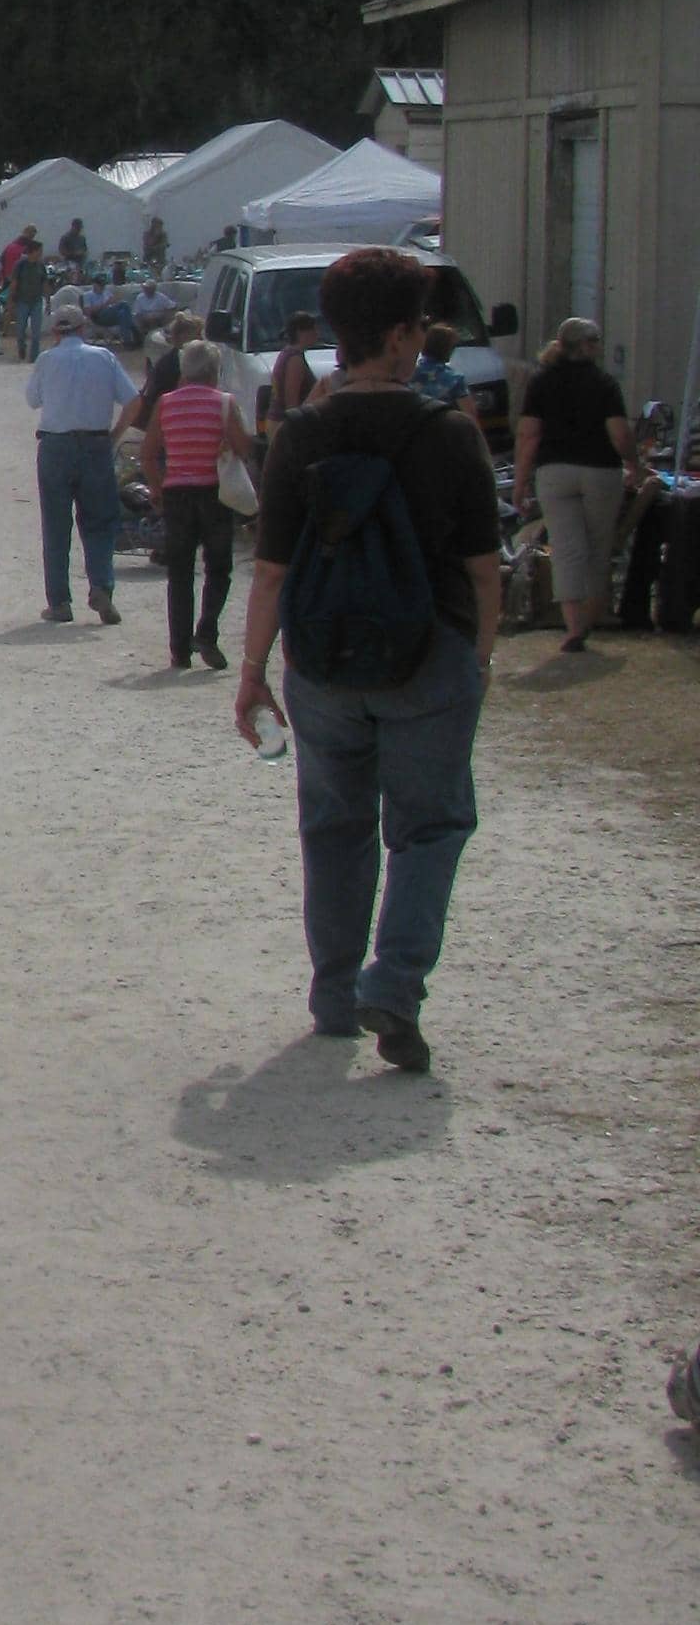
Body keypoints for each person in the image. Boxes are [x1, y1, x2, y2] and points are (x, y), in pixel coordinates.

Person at [235, 245, 502, 1070]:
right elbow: (484, 568)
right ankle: (397, 981)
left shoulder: (301, 434)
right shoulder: (448, 432)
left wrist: (251, 674)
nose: (422, 340)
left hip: (322, 660)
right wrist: (479, 659)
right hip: (429, 655)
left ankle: (335, 994)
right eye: (417, 326)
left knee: (334, 828)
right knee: (430, 826)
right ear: (394, 336)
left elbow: (272, 570)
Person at [512, 314, 640, 653]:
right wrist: (634, 462)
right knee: (598, 546)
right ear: (585, 345)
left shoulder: (541, 382)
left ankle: (572, 625)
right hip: (600, 470)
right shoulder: (604, 384)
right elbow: (619, 433)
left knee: (566, 547)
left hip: (554, 471)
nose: (600, 344)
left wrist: (521, 481)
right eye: (596, 339)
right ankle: (591, 616)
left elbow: (528, 435)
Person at [26, 293, 139, 623]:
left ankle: (59, 601)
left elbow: (33, 400)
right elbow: (134, 401)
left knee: (56, 524)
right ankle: (102, 586)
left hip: (55, 445)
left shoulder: (47, 360)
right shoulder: (104, 357)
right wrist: (115, 434)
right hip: (95, 444)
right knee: (100, 521)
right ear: (83, 328)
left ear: (56, 331)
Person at [144, 337, 252, 670]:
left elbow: (148, 454)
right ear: (214, 370)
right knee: (218, 568)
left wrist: (158, 489)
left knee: (180, 573)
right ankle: (206, 630)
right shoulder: (224, 403)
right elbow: (244, 449)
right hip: (213, 494)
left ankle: (179, 649)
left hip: (177, 494)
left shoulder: (166, 403)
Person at [260, 309, 325, 444]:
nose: (317, 335)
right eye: (314, 331)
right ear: (301, 333)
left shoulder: (287, 353)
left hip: (277, 423)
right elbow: (292, 402)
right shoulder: (295, 359)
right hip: (283, 425)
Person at [9, 233, 50, 363]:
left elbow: (45, 283)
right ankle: (22, 347)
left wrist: (48, 300)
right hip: (22, 301)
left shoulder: (41, 266)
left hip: (36, 301)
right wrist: (11, 300)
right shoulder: (20, 265)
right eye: (39, 251)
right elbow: (14, 282)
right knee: (20, 330)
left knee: (36, 331)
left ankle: (34, 357)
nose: (41, 253)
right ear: (33, 251)